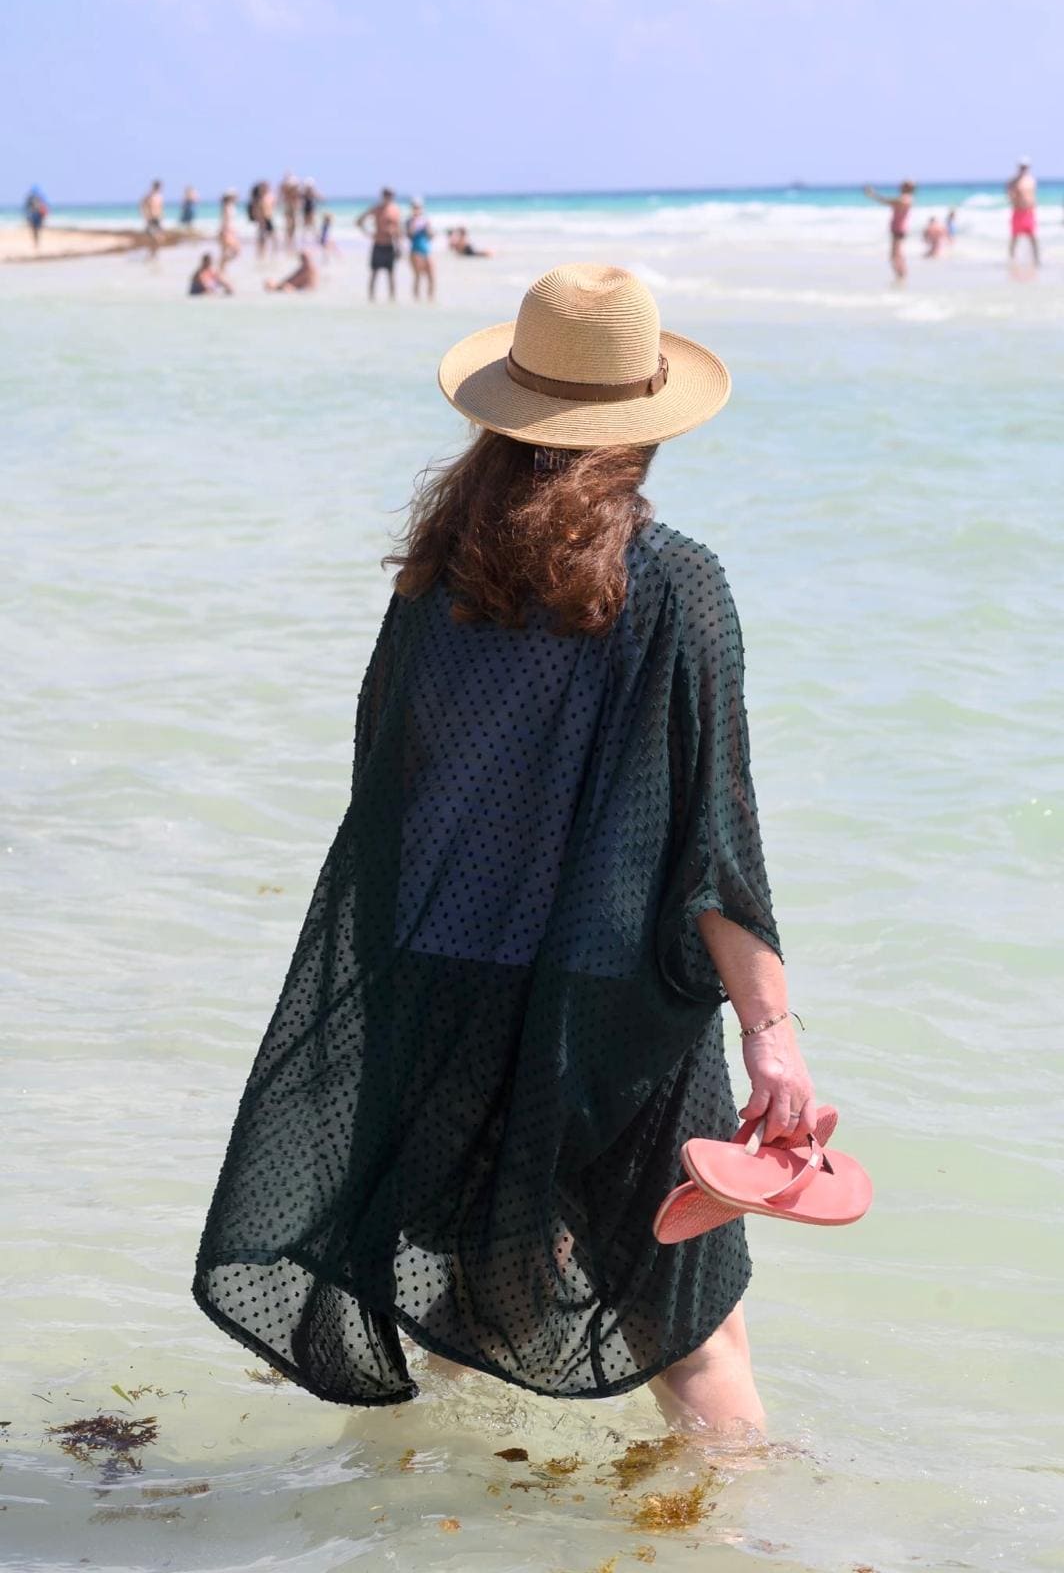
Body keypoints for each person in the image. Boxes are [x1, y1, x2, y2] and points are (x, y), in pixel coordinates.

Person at [193, 262, 819, 1439]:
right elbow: (711, 849)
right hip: (605, 1011)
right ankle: (744, 1549)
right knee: (694, 1337)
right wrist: (771, 1037)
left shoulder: (435, 584)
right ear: (639, 427)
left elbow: (389, 791)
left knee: (478, 1304)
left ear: (501, 415)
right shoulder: (674, 586)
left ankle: (408, 1529)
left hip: (445, 990)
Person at [356, 186, 403, 301]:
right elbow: (359, 221)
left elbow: (398, 230)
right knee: (374, 274)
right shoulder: (377, 209)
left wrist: (399, 246)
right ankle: (371, 299)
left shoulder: (395, 210)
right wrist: (368, 233)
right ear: (382, 196)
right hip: (378, 244)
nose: (389, 197)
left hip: (390, 245)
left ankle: (392, 300)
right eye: (387, 194)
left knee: (391, 275)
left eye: (391, 195)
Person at [863, 180, 915, 282]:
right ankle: (900, 276)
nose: (900, 186)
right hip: (898, 229)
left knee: (895, 256)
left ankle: (901, 277)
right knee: (896, 255)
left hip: (899, 229)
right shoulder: (905, 199)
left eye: (903, 185)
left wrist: (872, 194)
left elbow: (886, 201)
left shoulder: (905, 199)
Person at [1007, 158, 1039, 265]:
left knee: (1033, 237)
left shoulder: (1031, 180)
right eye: (1022, 167)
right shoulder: (1013, 181)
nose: (1023, 169)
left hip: (1029, 212)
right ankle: (1011, 259)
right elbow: (1008, 193)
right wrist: (1013, 198)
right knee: (1015, 237)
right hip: (1018, 211)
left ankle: (1037, 259)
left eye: (1025, 167)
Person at [406, 198, 435, 301]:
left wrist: (427, 228)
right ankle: (416, 299)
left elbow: (431, 237)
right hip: (415, 251)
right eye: (415, 207)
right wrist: (414, 225)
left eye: (418, 207)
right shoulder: (409, 221)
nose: (417, 209)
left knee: (431, 276)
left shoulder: (425, 220)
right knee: (417, 276)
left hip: (426, 250)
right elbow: (409, 236)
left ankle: (430, 298)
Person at [140, 179, 165, 254]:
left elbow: (160, 207)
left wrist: (162, 215)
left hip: (158, 219)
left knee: (160, 238)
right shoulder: (149, 195)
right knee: (154, 237)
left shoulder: (160, 196)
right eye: (157, 187)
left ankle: (154, 253)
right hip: (151, 219)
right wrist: (145, 214)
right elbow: (142, 204)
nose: (158, 188)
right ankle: (151, 253)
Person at [218, 190, 241, 266]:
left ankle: (221, 269)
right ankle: (221, 267)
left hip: (228, 231)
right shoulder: (227, 207)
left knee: (225, 252)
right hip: (227, 231)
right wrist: (226, 231)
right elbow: (225, 221)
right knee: (236, 251)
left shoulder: (229, 206)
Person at [280, 172, 301, 250]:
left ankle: (290, 243)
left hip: (292, 208)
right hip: (289, 207)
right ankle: (289, 243)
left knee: (293, 226)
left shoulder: (292, 190)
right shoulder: (286, 189)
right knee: (289, 226)